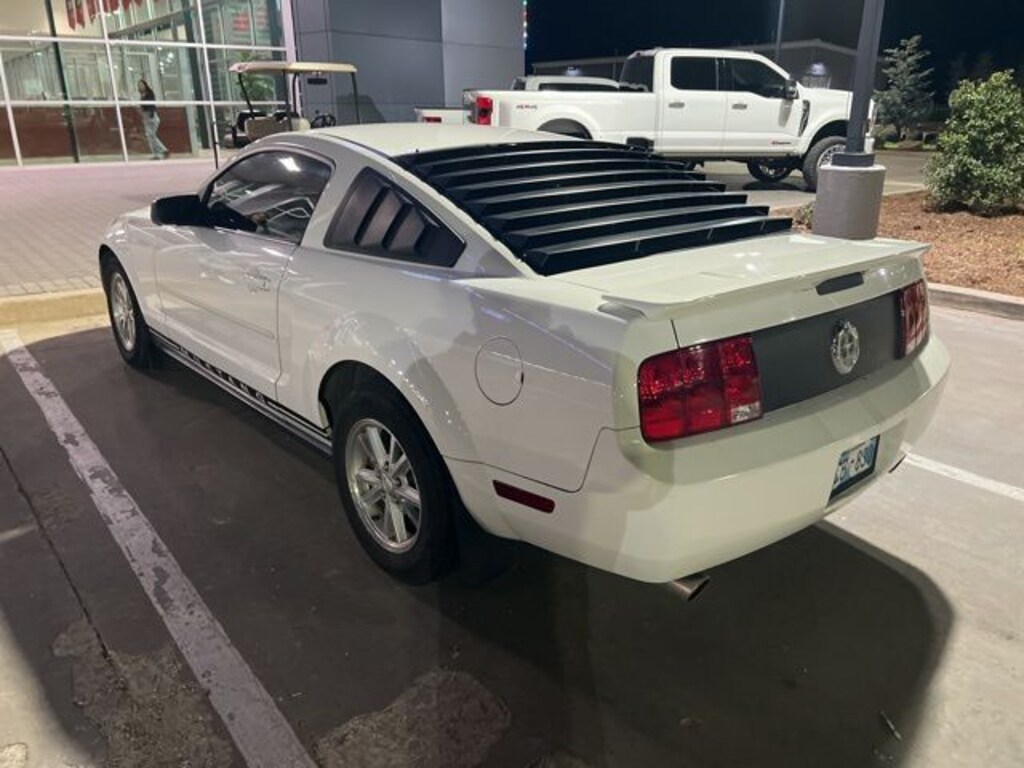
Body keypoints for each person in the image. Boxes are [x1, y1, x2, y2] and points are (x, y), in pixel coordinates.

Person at [137, 79, 169, 159]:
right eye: (139, 85)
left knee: (151, 135)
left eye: (141, 84)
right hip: (146, 117)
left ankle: (162, 150)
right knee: (150, 136)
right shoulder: (141, 95)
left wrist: (149, 114)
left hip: (151, 116)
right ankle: (157, 153)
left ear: (145, 85)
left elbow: (151, 105)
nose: (140, 86)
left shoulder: (149, 93)